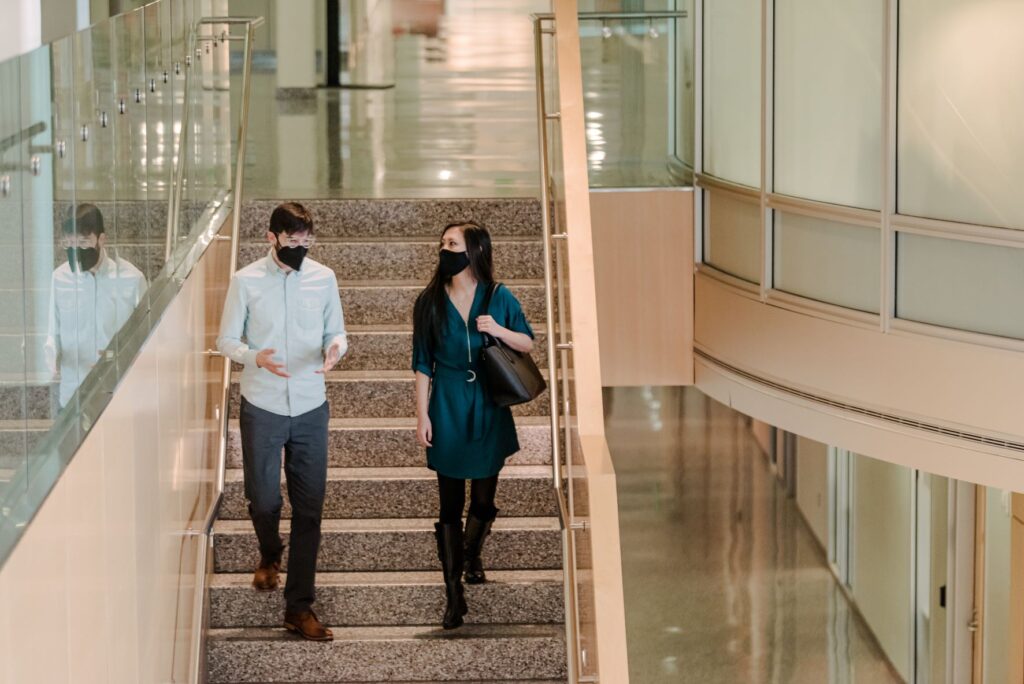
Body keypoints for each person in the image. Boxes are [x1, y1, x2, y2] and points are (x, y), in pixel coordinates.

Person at [216, 202, 346, 642]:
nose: (300, 247)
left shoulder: (323, 278)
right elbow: (225, 340)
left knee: (309, 511)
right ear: (271, 237)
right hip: (263, 405)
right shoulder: (245, 280)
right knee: (265, 500)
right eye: (291, 239)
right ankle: (270, 551)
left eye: (306, 239)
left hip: (311, 405)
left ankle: (298, 607)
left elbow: (337, 331)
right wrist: (254, 357)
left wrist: (336, 349)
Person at [412, 220, 535, 630]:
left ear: (474, 251)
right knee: (449, 503)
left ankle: (472, 553)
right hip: (446, 402)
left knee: (481, 499)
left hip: (486, 403)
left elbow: (528, 342)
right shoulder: (429, 301)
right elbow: (421, 364)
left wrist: (497, 329)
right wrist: (421, 414)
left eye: (452, 243)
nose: (444, 249)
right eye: (443, 243)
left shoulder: (498, 296)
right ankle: (453, 595)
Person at [46, 203, 147, 408]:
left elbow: (147, 338)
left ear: (101, 239)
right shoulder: (59, 279)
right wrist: (51, 354)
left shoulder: (132, 279)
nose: (76, 251)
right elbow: (53, 332)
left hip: (118, 394)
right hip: (73, 394)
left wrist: (117, 357)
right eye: (70, 245)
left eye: (83, 243)